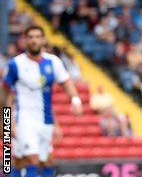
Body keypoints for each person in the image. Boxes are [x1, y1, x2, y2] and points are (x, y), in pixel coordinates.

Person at [0, 26, 83, 177]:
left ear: (43, 39)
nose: (34, 40)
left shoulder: (53, 62)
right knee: (33, 160)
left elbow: (66, 82)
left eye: (37, 36)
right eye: (30, 37)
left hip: (46, 120)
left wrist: (75, 100)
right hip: (23, 120)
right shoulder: (15, 64)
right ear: (25, 40)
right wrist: (5, 123)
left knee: (45, 162)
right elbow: (4, 95)